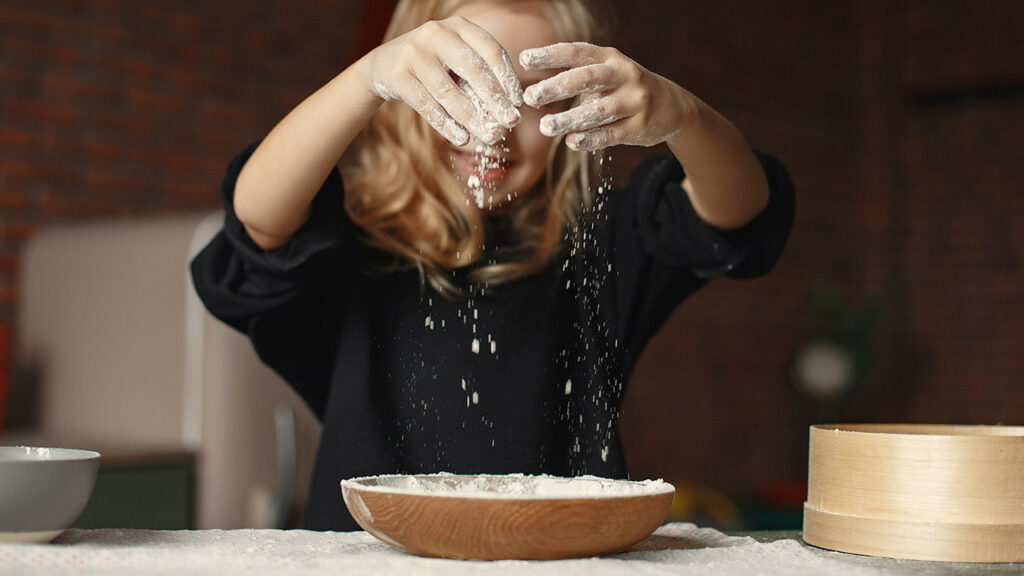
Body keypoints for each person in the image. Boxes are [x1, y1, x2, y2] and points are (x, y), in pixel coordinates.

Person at [191, 0, 794, 531]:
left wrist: (684, 116)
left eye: (532, 96)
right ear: (409, 90)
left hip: (556, 559)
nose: (494, 123)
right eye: (461, 82)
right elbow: (259, 220)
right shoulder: (353, 246)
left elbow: (738, 214)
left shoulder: (601, 243)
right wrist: (368, 77)